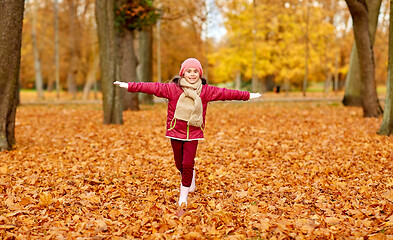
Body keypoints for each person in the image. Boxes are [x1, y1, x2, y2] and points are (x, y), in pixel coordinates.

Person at [114, 58, 261, 208]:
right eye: (189, 71)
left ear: (200, 74)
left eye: (195, 71)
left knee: (187, 163)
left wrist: (247, 96)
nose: (192, 74)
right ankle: (190, 176)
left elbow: (226, 93)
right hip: (175, 132)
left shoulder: (206, 91)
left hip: (194, 133)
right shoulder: (172, 89)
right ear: (183, 73)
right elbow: (151, 87)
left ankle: (183, 198)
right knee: (179, 164)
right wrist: (129, 86)